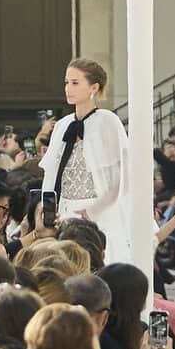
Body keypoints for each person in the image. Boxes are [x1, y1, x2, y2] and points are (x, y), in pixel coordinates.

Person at [39, 58, 132, 265]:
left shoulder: (107, 121)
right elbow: (51, 174)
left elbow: (121, 178)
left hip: (99, 212)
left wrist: (93, 211)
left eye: (75, 83)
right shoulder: (62, 125)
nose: (68, 88)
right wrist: (49, 208)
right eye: (66, 82)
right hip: (64, 211)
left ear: (94, 87)